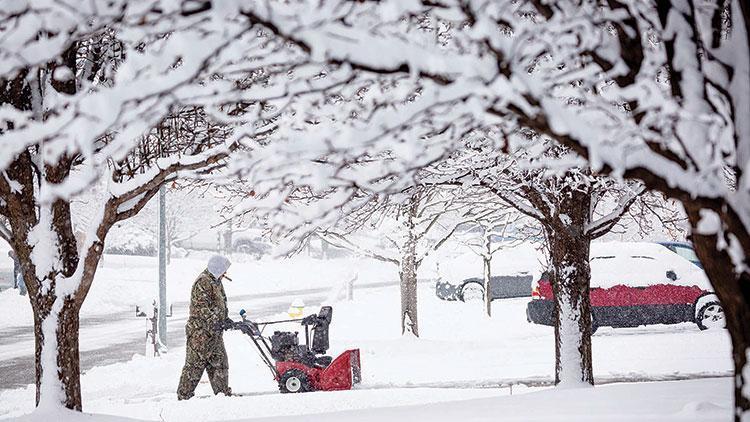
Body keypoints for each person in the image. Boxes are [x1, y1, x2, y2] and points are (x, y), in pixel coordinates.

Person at [177, 255, 234, 400]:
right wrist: (215, 321)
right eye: (223, 270)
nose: (225, 273)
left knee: (220, 363)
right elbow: (201, 307)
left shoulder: (216, 282)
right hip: (200, 334)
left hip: (214, 333)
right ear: (217, 268)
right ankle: (184, 396)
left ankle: (222, 394)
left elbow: (220, 304)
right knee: (195, 366)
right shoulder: (203, 282)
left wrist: (225, 319)